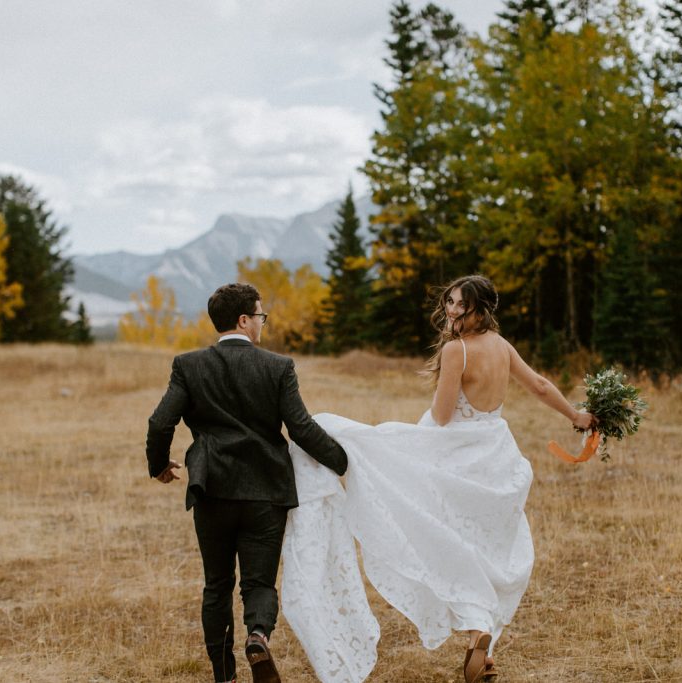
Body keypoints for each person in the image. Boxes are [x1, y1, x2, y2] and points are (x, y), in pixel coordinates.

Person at [280, 274, 594, 683]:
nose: (449, 309)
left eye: (457, 303)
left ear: (477, 308)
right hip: (495, 454)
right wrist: (576, 416)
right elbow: (538, 385)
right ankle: (479, 630)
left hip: (455, 456)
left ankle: (475, 622)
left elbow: (443, 416)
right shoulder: (502, 346)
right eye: (448, 301)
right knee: (479, 545)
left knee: (436, 538)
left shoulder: (456, 351)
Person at [146, 282, 348, 683]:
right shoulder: (278, 366)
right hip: (264, 492)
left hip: (212, 489)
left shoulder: (188, 365)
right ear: (243, 319)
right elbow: (302, 429)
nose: (262, 324)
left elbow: (159, 421)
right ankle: (258, 635)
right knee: (259, 582)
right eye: (261, 316)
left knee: (217, 585)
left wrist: (158, 466)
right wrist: (344, 461)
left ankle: (225, 676)